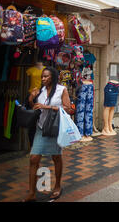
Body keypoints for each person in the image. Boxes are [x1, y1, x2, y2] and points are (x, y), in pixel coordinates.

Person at [24, 66, 72, 202]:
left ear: (53, 77)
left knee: (56, 157)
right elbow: (35, 108)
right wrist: (31, 100)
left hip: (55, 128)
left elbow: (68, 110)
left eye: (46, 76)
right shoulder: (41, 91)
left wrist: (48, 107)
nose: (43, 79)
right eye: (42, 77)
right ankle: (32, 193)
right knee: (33, 158)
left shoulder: (62, 90)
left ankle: (57, 186)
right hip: (41, 127)